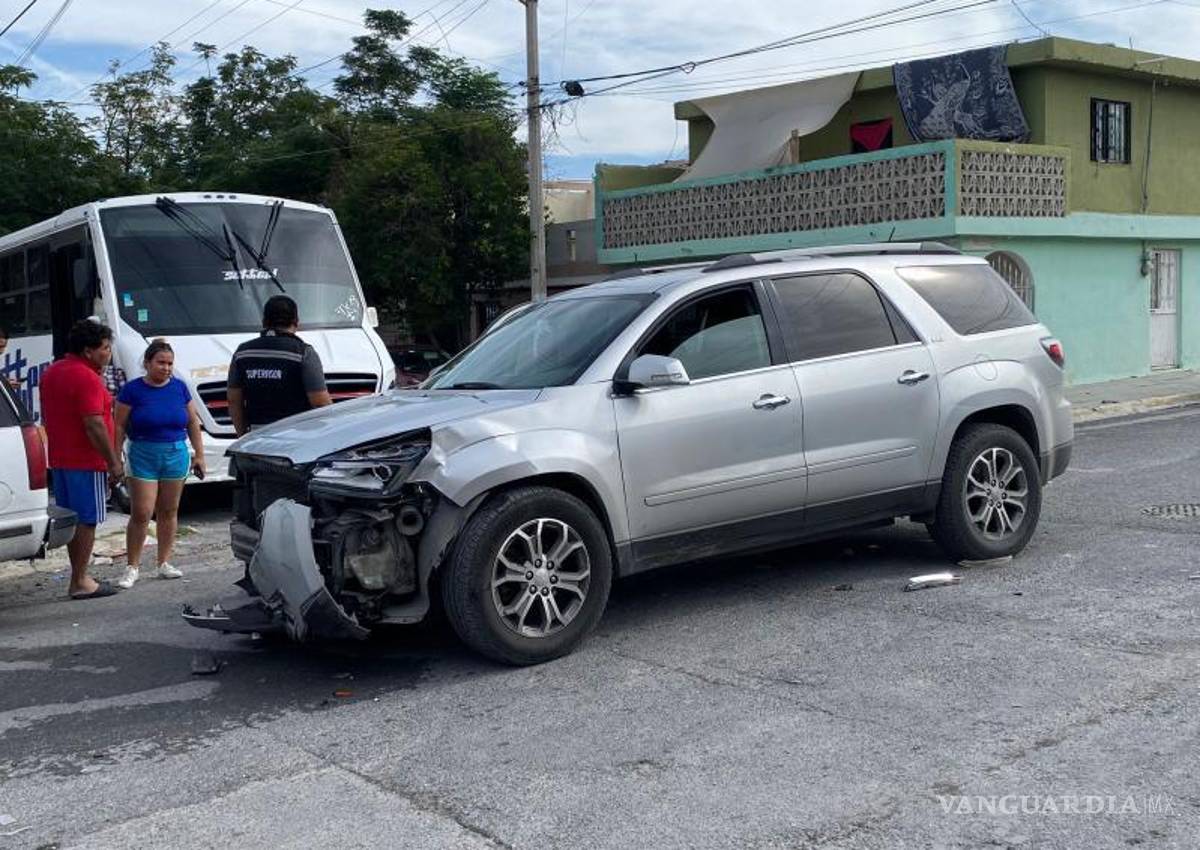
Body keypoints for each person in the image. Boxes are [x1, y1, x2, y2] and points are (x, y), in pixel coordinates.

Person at [39, 319, 124, 600]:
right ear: (88, 351)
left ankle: (79, 575)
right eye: (105, 348)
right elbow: (94, 424)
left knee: (73, 519)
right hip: (86, 461)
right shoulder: (86, 377)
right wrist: (113, 461)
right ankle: (80, 579)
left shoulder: (52, 372)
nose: (109, 353)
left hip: (61, 459)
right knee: (87, 520)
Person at [113, 339, 205, 588]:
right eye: (160, 363)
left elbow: (192, 422)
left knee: (168, 511)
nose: (165, 368)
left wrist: (199, 454)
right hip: (142, 452)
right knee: (142, 512)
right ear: (147, 363)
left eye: (169, 364)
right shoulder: (132, 390)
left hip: (175, 452)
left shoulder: (179, 388)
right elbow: (119, 425)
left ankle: (164, 562)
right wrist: (116, 457)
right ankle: (132, 566)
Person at [226, 295, 331, 436]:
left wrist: (243, 436)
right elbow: (320, 403)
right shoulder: (304, 353)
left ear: (264, 321)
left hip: (258, 437)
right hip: (296, 436)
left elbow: (233, 401)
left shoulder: (242, 353)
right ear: (296, 321)